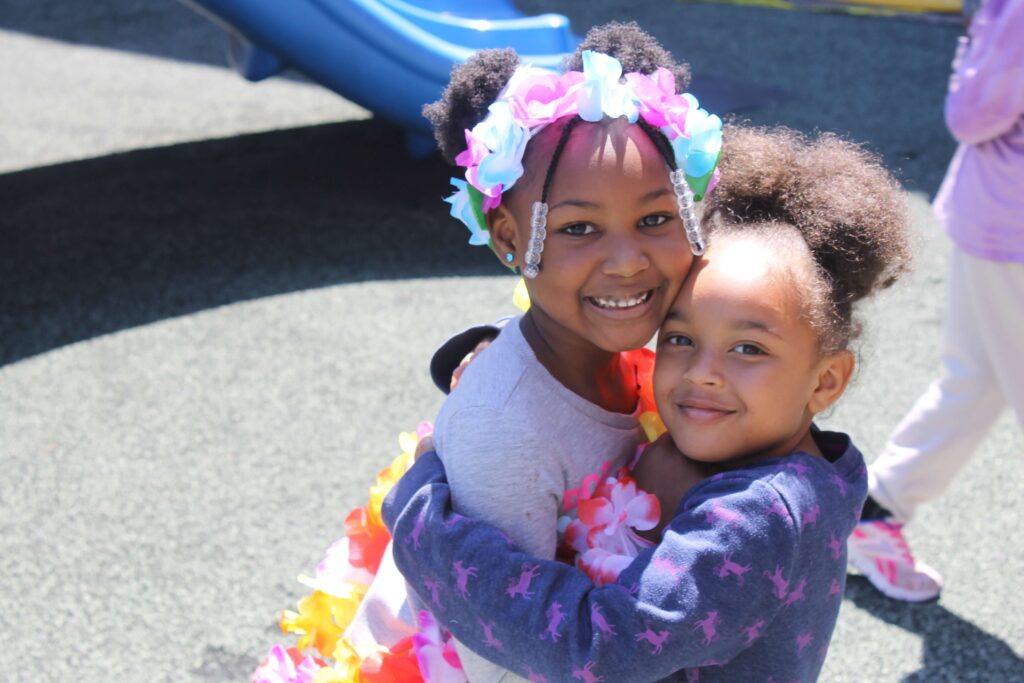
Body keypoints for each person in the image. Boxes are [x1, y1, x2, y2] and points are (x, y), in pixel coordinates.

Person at [384, 127, 911, 682]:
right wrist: (492, 346)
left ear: (826, 382)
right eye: (679, 339)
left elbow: (597, 650)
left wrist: (421, 523)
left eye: (748, 349)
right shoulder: (762, 449)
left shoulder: (755, 523)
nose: (701, 375)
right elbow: (598, 324)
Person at [339, 23, 723, 682]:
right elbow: (503, 658)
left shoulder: (622, 345)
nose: (628, 262)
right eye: (578, 228)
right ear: (510, 239)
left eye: (656, 218)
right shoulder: (507, 434)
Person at [847, 0, 1024, 602]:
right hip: (1007, 231)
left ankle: (877, 506)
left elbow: (973, 113)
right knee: (977, 376)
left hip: (1004, 224)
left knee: (976, 377)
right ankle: (878, 505)